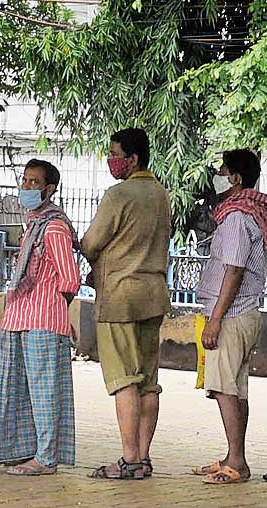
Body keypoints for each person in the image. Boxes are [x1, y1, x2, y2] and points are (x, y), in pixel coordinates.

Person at [84, 127, 173, 481]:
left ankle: (128, 459)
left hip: (119, 296)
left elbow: (91, 243)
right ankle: (144, 458)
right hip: (153, 295)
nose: (111, 160)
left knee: (125, 380)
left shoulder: (118, 195)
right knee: (149, 381)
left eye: (115, 153)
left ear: (132, 158)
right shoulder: (162, 195)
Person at [0, 158, 79, 477]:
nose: (27, 187)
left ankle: (46, 457)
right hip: (19, 315)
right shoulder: (32, 224)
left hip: (43, 318)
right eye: (24, 180)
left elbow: (70, 279)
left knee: (44, 391)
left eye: (34, 182)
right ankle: (24, 449)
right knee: (17, 387)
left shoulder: (54, 226)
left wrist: (57, 309)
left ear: (50, 189)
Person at [192, 149, 267, 486]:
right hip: (242, 313)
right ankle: (233, 455)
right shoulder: (249, 214)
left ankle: (236, 460)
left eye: (223, 171)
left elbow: (234, 270)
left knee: (225, 388)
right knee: (236, 389)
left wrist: (215, 320)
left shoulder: (238, 217)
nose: (218, 176)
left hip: (233, 315)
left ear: (236, 178)